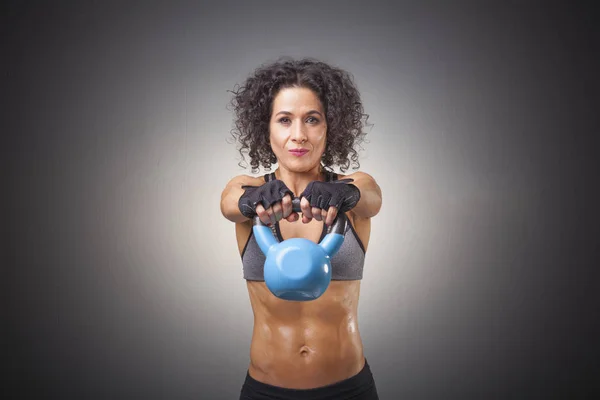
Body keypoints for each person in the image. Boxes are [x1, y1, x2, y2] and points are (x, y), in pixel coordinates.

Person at [220, 58, 383, 400]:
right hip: (266, 391)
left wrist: (346, 193)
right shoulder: (246, 188)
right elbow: (228, 204)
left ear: (330, 127)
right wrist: (253, 200)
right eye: (284, 120)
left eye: (312, 119)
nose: (298, 135)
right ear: (266, 129)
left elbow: (371, 198)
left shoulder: (355, 186)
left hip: (348, 390)